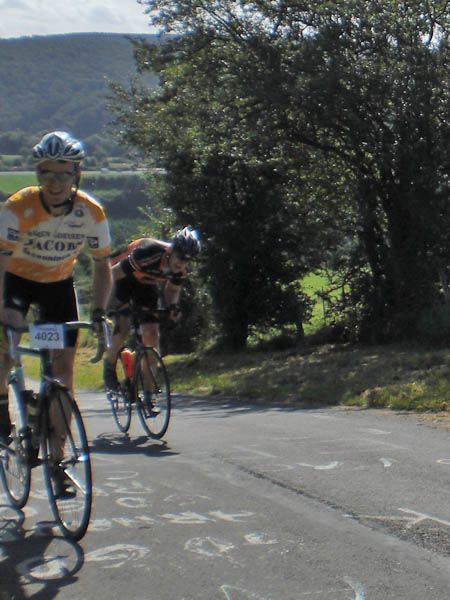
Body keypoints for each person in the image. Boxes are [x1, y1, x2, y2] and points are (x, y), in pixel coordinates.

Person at [0, 131, 112, 496]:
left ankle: (58, 461)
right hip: (16, 281)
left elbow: (102, 265)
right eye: (47, 174)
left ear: (76, 175)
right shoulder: (18, 208)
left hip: (58, 287)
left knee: (62, 374)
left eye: (63, 174)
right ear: (38, 176)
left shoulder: (91, 212)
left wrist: (98, 311)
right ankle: (4, 411)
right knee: (7, 342)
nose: (55, 183)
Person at [103, 226, 201, 410]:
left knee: (152, 335)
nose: (182, 263)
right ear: (171, 251)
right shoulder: (148, 253)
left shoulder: (181, 270)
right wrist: (105, 306)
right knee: (123, 325)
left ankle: (148, 395)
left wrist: (172, 307)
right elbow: (113, 274)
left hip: (146, 285)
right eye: (180, 257)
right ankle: (108, 368)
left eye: (188, 260)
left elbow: (172, 290)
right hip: (121, 280)